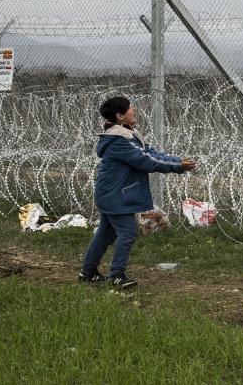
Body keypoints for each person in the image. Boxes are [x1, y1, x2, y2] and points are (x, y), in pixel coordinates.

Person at [81, 96, 196, 288]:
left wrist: (177, 161)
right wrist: (178, 167)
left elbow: (150, 153)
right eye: (130, 108)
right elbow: (146, 161)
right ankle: (117, 275)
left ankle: (88, 271)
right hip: (115, 194)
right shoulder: (119, 141)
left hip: (112, 193)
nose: (133, 110)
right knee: (127, 233)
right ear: (119, 116)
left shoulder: (127, 134)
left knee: (105, 234)